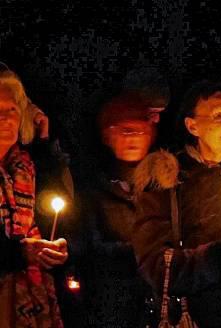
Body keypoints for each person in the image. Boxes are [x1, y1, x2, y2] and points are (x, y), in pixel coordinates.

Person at [132, 80, 221, 328]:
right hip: (197, 316)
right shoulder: (168, 178)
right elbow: (153, 263)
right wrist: (212, 260)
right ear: (192, 125)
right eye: (219, 116)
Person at [80, 93, 157, 327]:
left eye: (140, 130)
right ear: (107, 135)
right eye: (125, 130)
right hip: (112, 307)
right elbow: (88, 247)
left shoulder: (164, 186)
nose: (133, 138)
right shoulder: (93, 189)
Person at [0, 69, 68, 327]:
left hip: (32, 299)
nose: (6, 118)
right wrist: (20, 253)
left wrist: (57, 249)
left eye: (12, 109)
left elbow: (54, 213)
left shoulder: (27, 168)